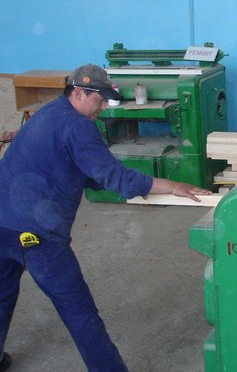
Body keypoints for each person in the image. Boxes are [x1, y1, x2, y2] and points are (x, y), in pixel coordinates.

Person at [0, 64, 211, 372]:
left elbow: (87, 170)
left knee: (2, 294)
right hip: (36, 234)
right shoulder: (77, 126)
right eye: (98, 100)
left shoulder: (48, 114)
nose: (102, 108)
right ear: (78, 92)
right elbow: (115, 178)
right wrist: (170, 185)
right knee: (80, 313)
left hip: (2, 222)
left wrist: (121, 181)